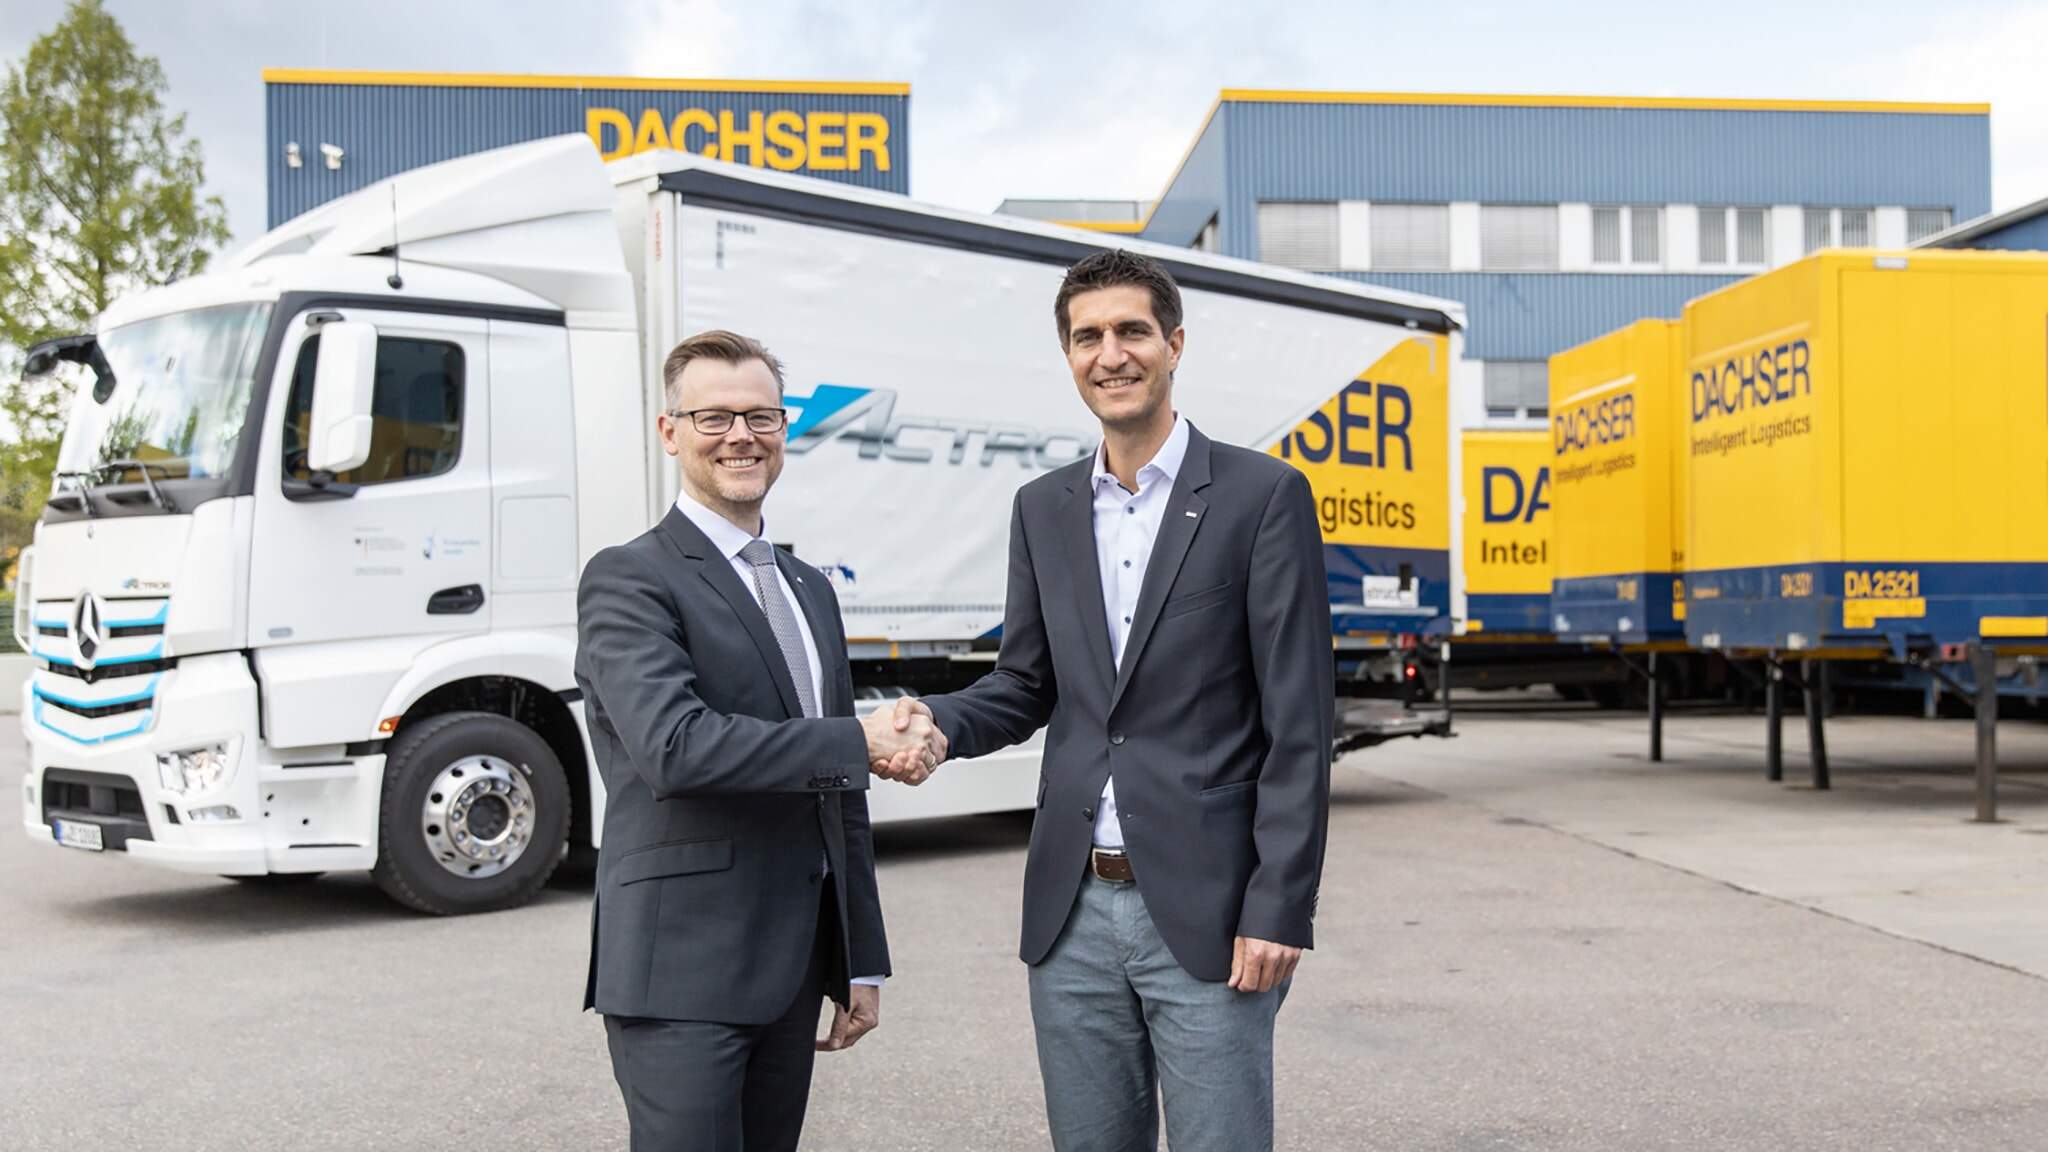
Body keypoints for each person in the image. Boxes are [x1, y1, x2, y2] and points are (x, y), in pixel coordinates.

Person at [881, 249, 1334, 1151]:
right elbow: (1024, 685)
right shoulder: (1041, 508)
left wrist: (1280, 902)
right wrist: (939, 726)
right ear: (1068, 355)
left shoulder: (1261, 496)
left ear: (1173, 345)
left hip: (1208, 908)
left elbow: (1300, 722)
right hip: (1072, 910)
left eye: (1131, 331)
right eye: (1087, 337)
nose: (1110, 354)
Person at [576, 329, 943, 1152]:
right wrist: (858, 739)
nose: (740, 436)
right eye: (713, 418)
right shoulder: (630, 576)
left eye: (761, 417)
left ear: (784, 432)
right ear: (670, 433)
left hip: (790, 974)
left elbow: (838, 798)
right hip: (681, 976)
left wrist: (859, 958)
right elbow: (676, 746)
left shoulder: (808, 588)